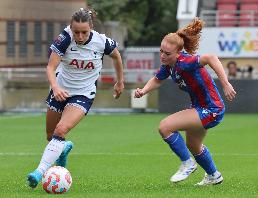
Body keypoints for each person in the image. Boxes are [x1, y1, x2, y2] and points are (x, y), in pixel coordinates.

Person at [27, 8, 124, 188]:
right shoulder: (64, 39)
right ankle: (62, 149)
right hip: (60, 90)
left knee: (61, 129)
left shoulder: (102, 42)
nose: (79, 36)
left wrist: (120, 81)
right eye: (76, 32)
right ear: (71, 29)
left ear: (91, 28)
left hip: (84, 93)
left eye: (84, 32)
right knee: (51, 135)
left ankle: (39, 172)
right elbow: (50, 67)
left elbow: (117, 57)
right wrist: (55, 87)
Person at [134, 18, 236, 186]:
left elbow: (211, 57)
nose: (162, 56)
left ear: (178, 52)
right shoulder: (169, 65)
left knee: (165, 126)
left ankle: (187, 163)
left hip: (211, 108)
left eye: (167, 53)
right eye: (161, 51)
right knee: (194, 145)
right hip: (200, 107)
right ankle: (214, 175)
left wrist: (225, 83)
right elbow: (158, 79)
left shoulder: (185, 62)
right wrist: (143, 91)